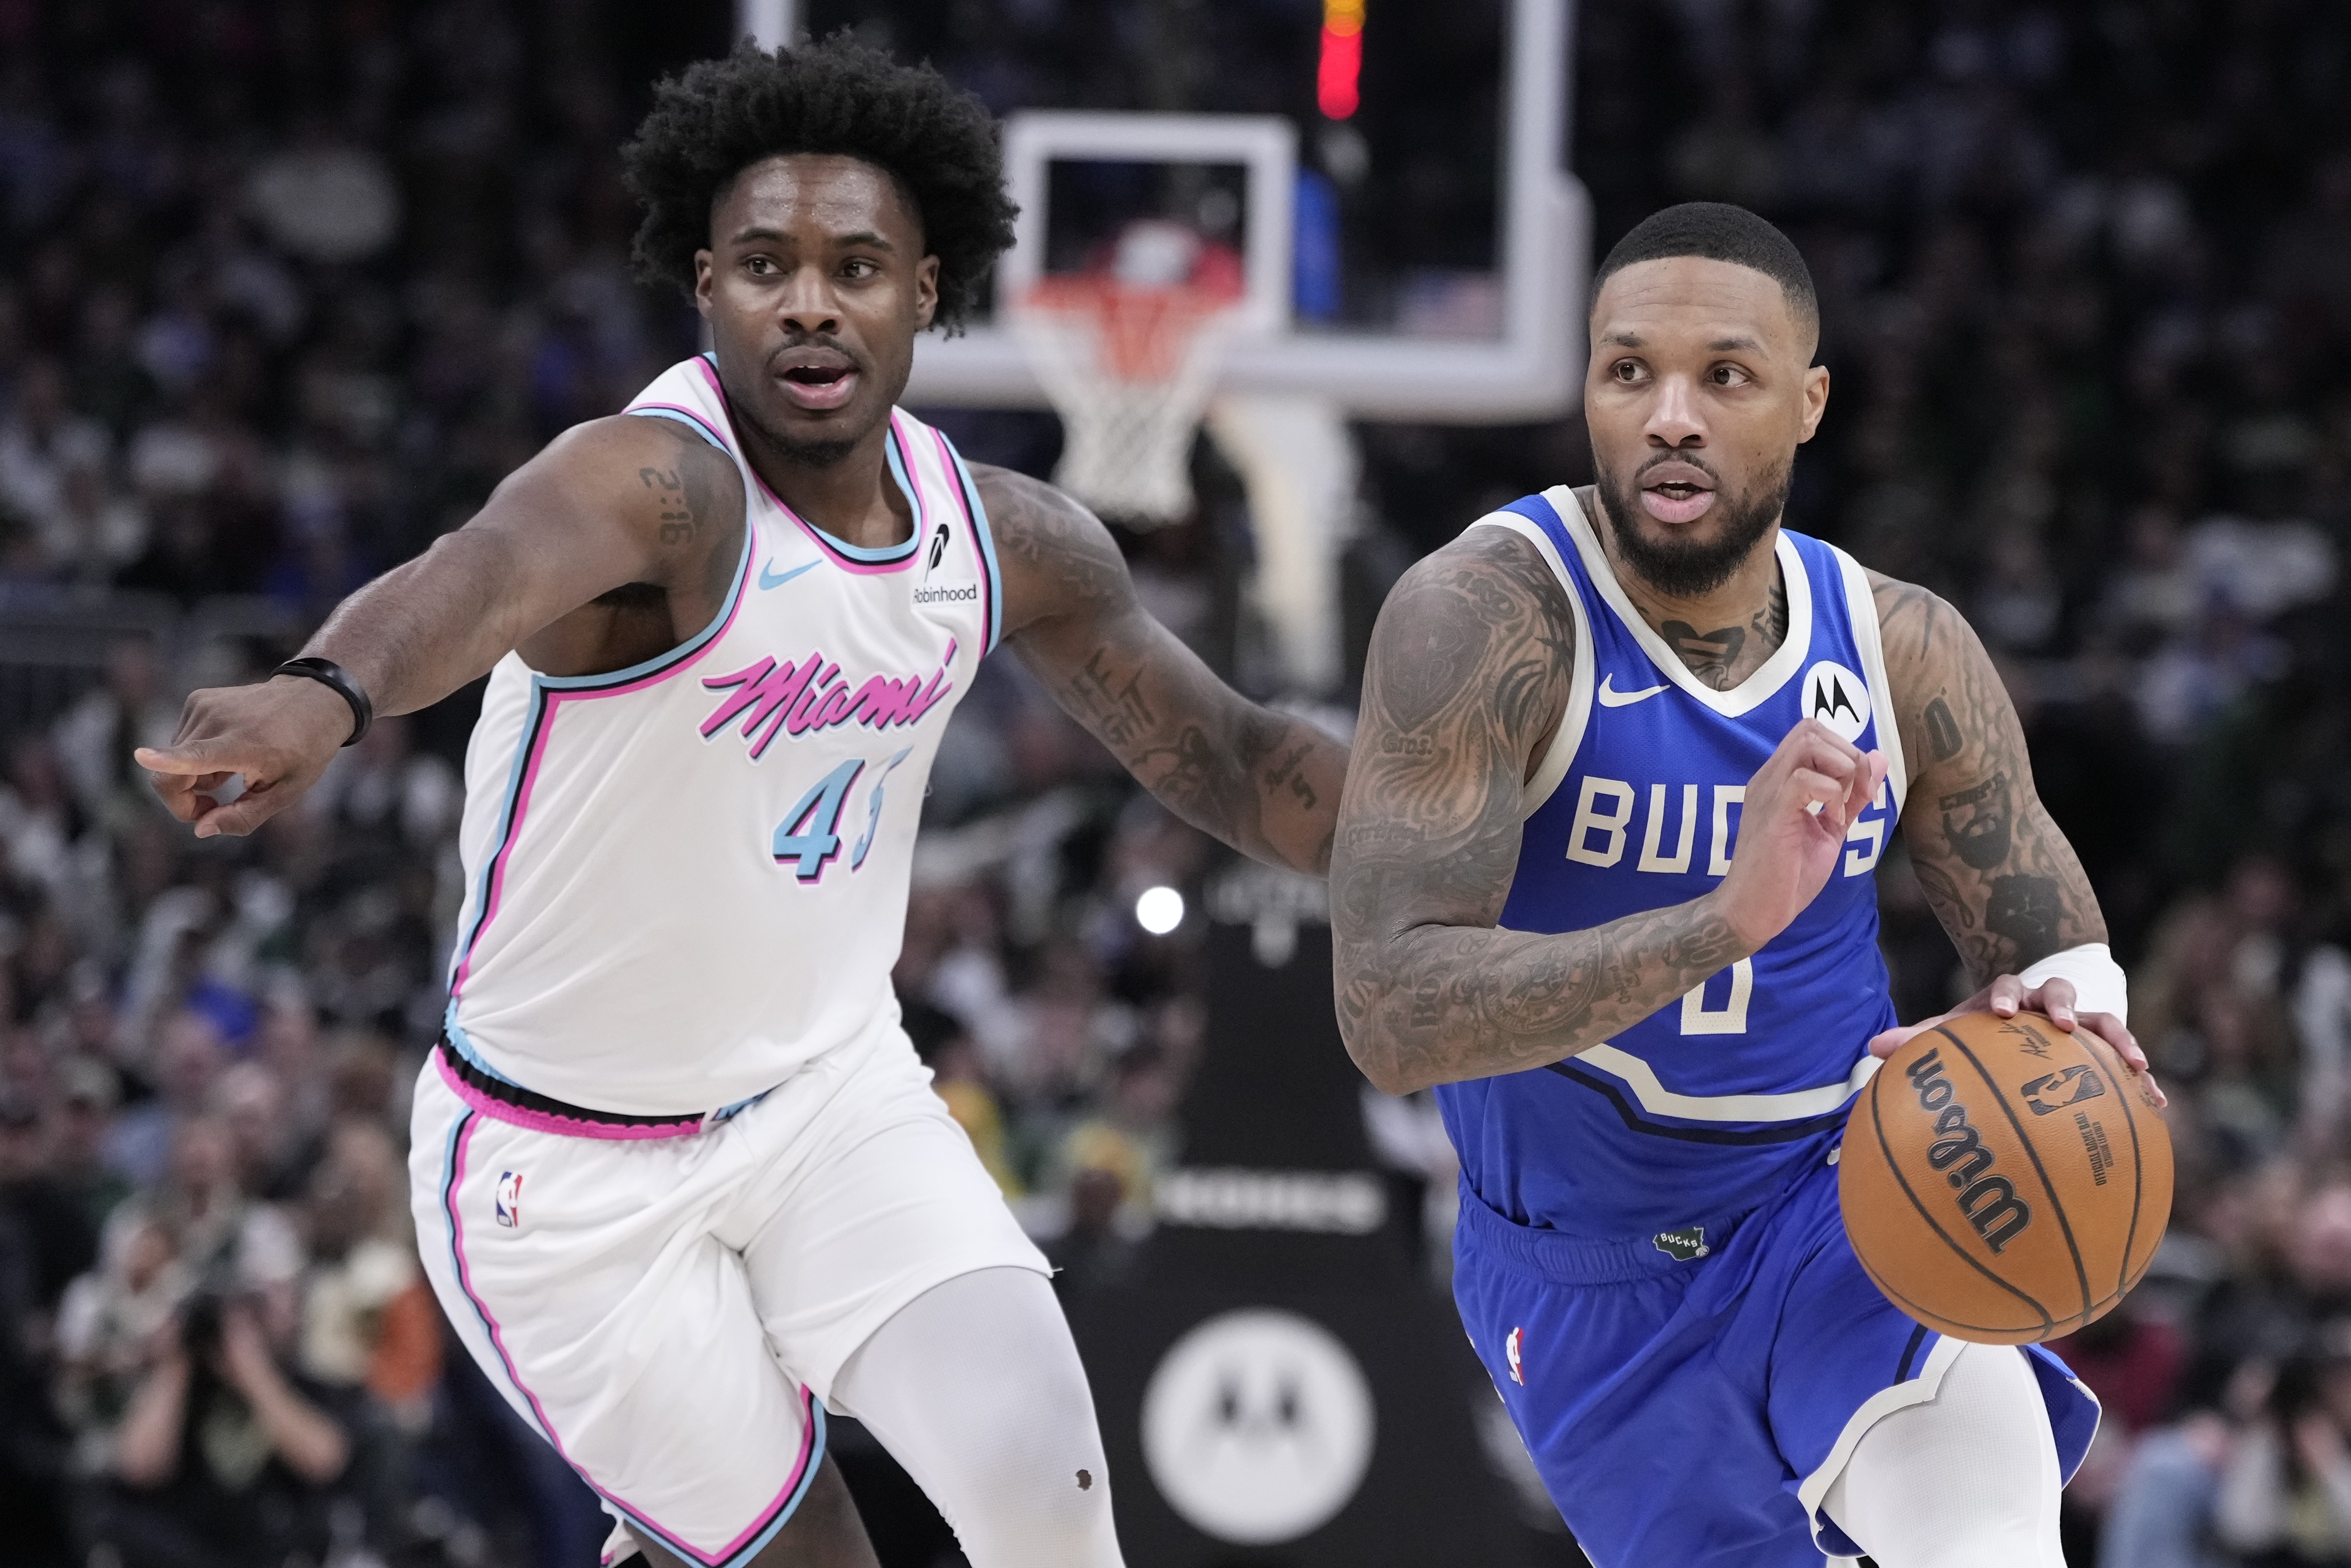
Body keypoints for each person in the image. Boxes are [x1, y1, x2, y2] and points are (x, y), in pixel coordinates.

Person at [133, 37, 1345, 1568]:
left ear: (931, 290)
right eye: (767, 265)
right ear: (707, 287)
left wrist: (1495, 837)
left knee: (1051, 1499)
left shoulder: (1004, 540)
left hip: (831, 1103)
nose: (812, 301)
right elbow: (483, 569)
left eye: (858, 266)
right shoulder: (663, 490)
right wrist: (326, 691)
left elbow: (1236, 763)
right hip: (558, 1179)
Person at [1330, 201, 2165, 1568]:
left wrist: (2072, 1026)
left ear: (1808, 402)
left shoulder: (1903, 650)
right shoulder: (1484, 618)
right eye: (1628, 371)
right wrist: (1721, 920)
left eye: (1723, 375)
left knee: (1991, 1543)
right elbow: (1389, 1012)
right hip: (1583, 1282)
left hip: (1850, 1202)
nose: (1670, 416)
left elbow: (2044, 927)